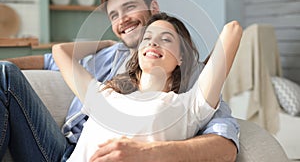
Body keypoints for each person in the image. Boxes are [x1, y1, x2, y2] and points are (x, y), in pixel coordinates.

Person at [2, 0, 240, 161]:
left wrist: (147, 153)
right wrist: (102, 44)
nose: (121, 20)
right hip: (62, 149)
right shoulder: (107, 84)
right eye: (114, 15)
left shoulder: (191, 91)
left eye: (129, 8)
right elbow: (56, 55)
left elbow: (224, 146)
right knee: (5, 73)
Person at [53, 12, 242, 161]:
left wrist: (201, 69)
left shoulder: (190, 106)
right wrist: (108, 44)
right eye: (147, 38)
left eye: (166, 39)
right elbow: (59, 51)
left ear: (180, 58)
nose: (153, 42)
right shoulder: (105, 94)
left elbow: (232, 29)